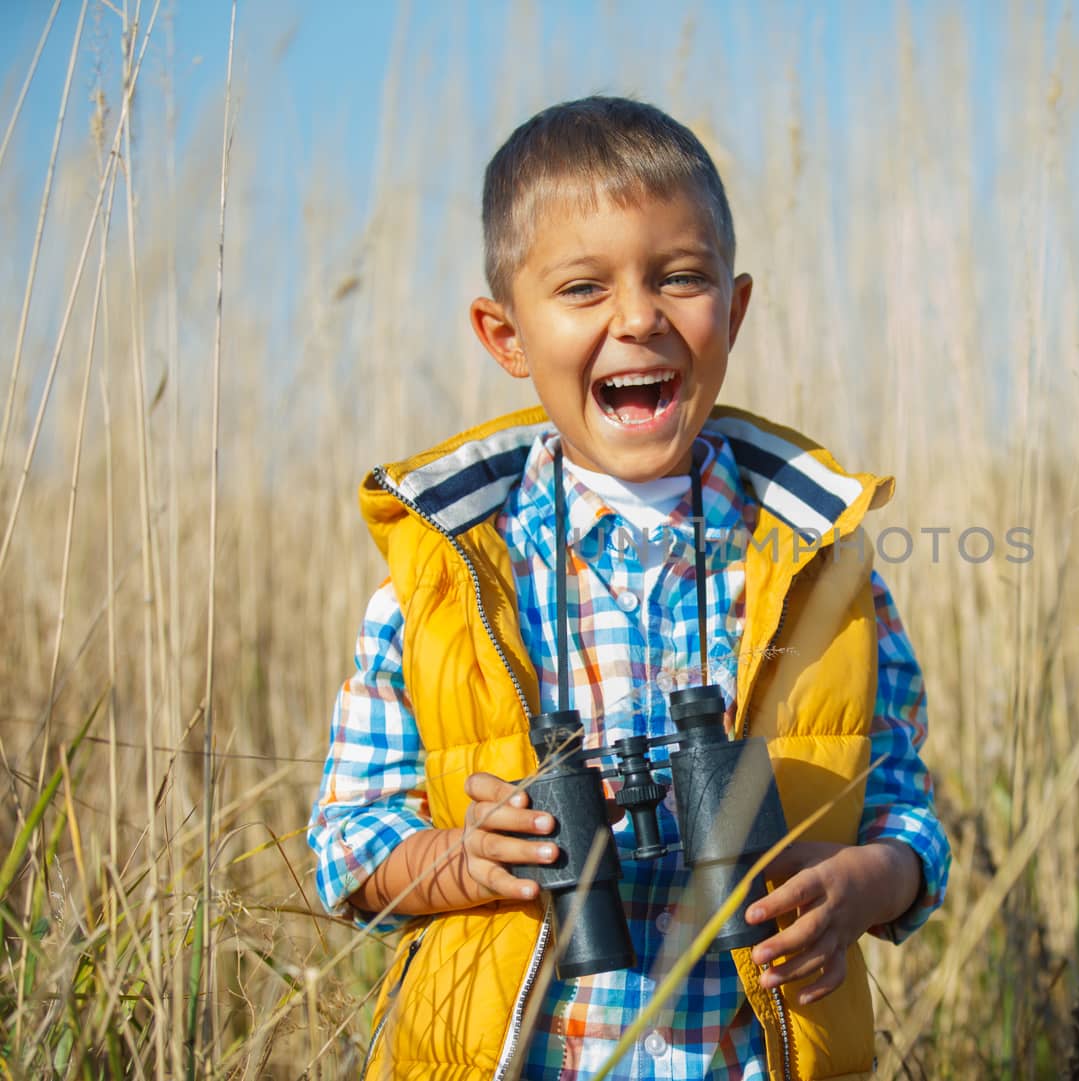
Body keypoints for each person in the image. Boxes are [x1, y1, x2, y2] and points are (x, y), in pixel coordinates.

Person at [308, 96, 950, 1081]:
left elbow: (906, 807)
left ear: (732, 312)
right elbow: (346, 849)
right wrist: (465, 859)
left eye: (679, 277)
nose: (639, 316)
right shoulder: (443, 585)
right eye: (582, 288)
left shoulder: (825, 572)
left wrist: (874, 880)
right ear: (506, 336)